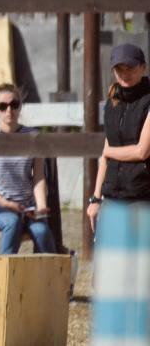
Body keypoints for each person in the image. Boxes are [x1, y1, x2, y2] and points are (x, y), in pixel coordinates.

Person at [88, 43, 150, 343]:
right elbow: (104, 157)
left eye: (130, 67)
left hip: (141, 197)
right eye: (119, 68)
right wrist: (95, 197)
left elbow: (141, 150)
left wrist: (110, 150)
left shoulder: (149, 101)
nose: (124, 73)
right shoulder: (110, 104)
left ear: (143, 67)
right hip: (112, 194)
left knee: (139, 276)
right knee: (106, 277)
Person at [0, 84, 56, 254]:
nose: (8, 110)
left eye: (14, 104)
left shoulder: (32, 136)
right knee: (12, 222)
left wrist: (40, 205)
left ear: (20, 106)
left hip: (26, 205)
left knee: (42, 231)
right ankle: (2, 273)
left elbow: (39, 178)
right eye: (2, 106)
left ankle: (46, 277)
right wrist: (5, 203)